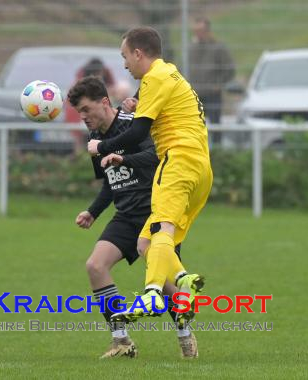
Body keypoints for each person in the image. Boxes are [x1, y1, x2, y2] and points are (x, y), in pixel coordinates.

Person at [87, 27, 213, 354]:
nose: (125, 64)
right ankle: (183, 280)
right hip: (200, 167)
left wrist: (102, 146)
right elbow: (158, 112)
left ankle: (153, 292)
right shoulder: (170, 74)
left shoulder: (154, 78)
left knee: (160, 229)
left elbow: (138, 131)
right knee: (149, 242)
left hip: (178, 161)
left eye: (125, 56)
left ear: (139, 54)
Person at [68, 76, 198, 359]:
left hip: (156, 213)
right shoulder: (95, 140)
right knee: (95, 266)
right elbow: (109, 182)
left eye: (87, 109)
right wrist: (93, 211)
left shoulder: (132, 124)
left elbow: (156, 156)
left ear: (105, 102)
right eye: (80, 113)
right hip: (126, 215)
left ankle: (185, 334)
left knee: (164, 284)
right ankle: (121, 341)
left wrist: (122, 158)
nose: (84, 117)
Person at [189, 16, 235, 143]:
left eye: (201, 31)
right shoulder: (191, 48)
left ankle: (218, 152)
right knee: (194, 126)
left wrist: (218, 85)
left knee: (215, 126)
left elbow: (229, 69)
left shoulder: (218, 47)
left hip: (212, 94)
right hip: (194, 95)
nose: (198, 34)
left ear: (208, 31)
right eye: (196, 31)